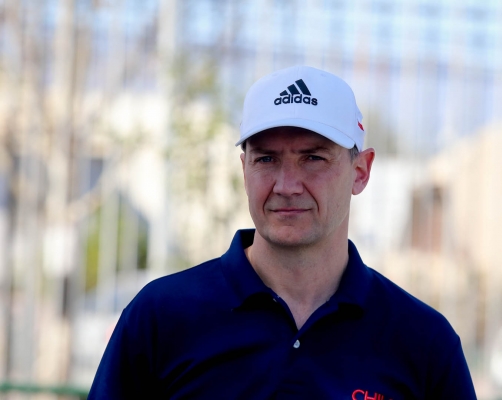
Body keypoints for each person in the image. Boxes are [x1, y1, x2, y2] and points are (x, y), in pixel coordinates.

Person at [89, 66, 477, 399]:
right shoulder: (161, 318)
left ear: (361, 171)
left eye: (313, 158)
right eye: (266, 159)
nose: (287, 185)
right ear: (244, 170)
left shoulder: (423, 342)